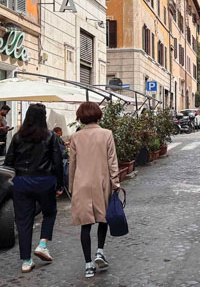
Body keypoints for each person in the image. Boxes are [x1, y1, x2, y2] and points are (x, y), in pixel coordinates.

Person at [4, 104, 63, 273]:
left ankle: (26, 261)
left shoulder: (17, 137)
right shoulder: (50, 136)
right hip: (44, 181)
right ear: (43, 118)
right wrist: (59, 184)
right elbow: (57, 162)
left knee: (23, 221)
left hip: (22, 182)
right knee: (50, 212)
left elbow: (9, 162)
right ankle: (43, 244)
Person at [69, 102, 120, 278]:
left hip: (81, 184)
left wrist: (71, 187)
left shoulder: (75, 137)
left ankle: (88, 265)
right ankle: (99, 251)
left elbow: (72, 164)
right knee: (103, 219)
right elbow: (112, 161)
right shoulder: (106, 134)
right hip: (102, 183)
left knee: (85, 225)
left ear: (81, 117)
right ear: (98, 115)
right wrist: (116, 182)